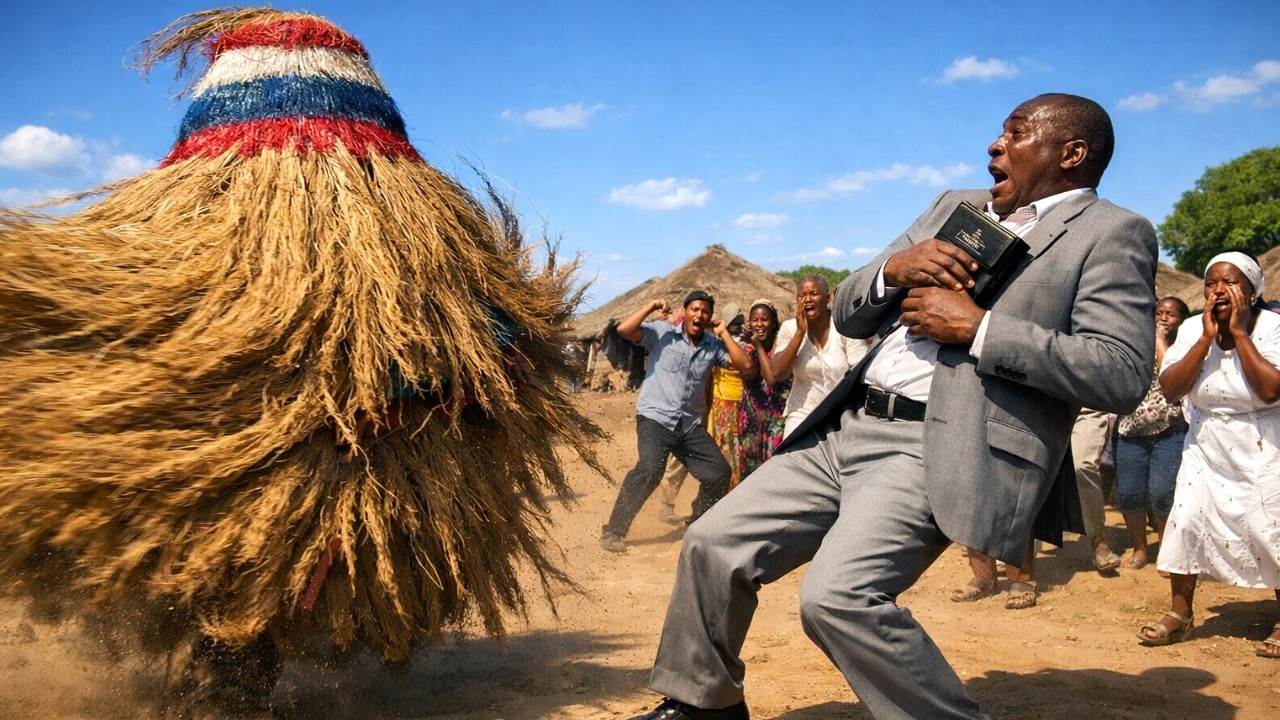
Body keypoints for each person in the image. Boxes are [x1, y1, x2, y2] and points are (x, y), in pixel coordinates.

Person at [0, 9, 606, 717]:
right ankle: (215, 682)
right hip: (236, 481)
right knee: (223, 596)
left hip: (324, 483)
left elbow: (493, 342)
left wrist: (443, 381)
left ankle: (225, 682)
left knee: (250, 606)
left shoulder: (417, 256)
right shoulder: (202, 258)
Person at [625, 93, 1156, 720]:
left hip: (935, 445)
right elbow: (850, 305)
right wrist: (892, 273)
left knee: (838, 597)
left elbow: (1121, 370)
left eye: (1015, 133)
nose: (994, 145)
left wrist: (978, 329)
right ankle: (702, 704)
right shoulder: (955, 207)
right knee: (712, 544)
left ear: (1071, 153)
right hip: (844, 427)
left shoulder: (1111, 234)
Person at [1139, 253, 1280, 659]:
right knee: (1186, 520)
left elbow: (1271, 390)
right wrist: (1204, 339)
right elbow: (1171, 388)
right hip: (1207, 441)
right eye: (1211, 283)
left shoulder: (1271, 328)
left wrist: (1237, 335)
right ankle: (1180, 613)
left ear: (1252, 292)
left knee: (1268, 525)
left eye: (1230, 282)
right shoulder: (1190, 330)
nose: (1218, 290)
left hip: (1263, 441)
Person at [600, 291, 755, 553]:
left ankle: (696, 524)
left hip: (689, 425)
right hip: (655, 418)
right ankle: (613, 531)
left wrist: (724, 334)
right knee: (650, 470)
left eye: (705, 311)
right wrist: (651, 304)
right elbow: (624, 329)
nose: (700, 315)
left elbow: (745, 365)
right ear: (684, 312)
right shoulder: (662, 333)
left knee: (719, 472)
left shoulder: (712, 344)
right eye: (695, 309)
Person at [1116, 296, 1190, 570]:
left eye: (1170, 314)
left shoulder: (1187, 346)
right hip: (1130, 431)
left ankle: (1167, 551)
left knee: (1162, 493)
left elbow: (1168, 372)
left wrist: (1159, 338)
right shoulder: (1136, 343)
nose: (1163, 318)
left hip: (1169, 432)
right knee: (1129, 493)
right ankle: (1140, 548)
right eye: (1158, 313)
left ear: (1182, 319)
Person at [771, 276, 868, 438]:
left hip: (841, 414)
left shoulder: (843, 327)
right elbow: (778, 373)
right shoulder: (789, 328)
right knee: (793, 456)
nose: (807, 299)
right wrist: (799, 333)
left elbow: (861, 372)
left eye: (814, 294)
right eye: (802, 296)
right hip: (802, 413)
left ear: (828, 298)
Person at [738, 301, 791, 481]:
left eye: (764, 319)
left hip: (777, 420)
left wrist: (758, 347)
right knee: (749, 471)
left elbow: (772, 380)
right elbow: (747, 373)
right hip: (752, 418)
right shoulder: (747, 349)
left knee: (773, 470)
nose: (759, 324)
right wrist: (751, 346)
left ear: (774, 322)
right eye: (755, 320)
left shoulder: (782, 346)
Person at [1071, 408, 1122, 573]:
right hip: (1044, 404)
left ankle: (1098, 540)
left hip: (1086, 408)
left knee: (1083, 467)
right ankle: (1010, 548)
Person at [706, 306, 753, 489]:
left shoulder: (743, 346)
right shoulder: (717, 343)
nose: (740, 327)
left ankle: (731, 491)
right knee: (725, 450)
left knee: (735, 452)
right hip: (721, 404)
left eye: (741, 323)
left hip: (737, 404)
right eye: (736, 323)